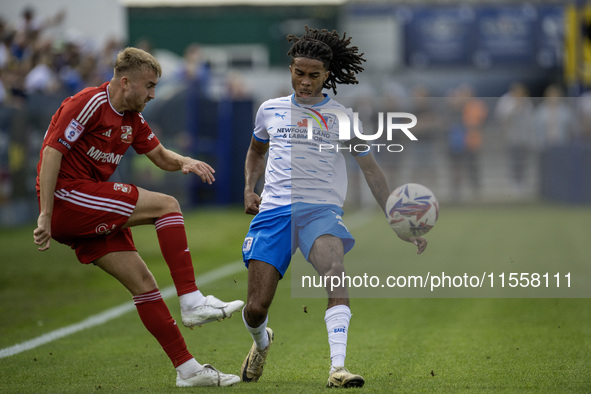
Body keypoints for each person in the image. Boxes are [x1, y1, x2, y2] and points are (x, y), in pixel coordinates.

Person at [33, 47, 243, 387]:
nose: (152, 94)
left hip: (86, 208)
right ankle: (191, 300)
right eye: (149, 86)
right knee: (167, 205)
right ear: (125, 81)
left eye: (155, 87)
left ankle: (188, 370)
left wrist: (184, 161)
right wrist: (44, 214)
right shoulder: (88, 103)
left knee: (144, 284)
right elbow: (51, 153)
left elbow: (159, 155)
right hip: (67, 199)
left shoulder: (133, 117)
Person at [239, 27, 428, 388]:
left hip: (319, 212)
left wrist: (397, 219)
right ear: (290, 69)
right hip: (275, 212)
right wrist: (249, 188)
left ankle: (337, 368)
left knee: (335, 272)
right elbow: (255, 151)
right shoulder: (270, 110)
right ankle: (261, 343)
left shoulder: (342, 117)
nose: (305, 82)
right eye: (299, 73)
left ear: (327, 75)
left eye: (313, 75)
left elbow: (370, 168)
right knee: (255, 308)